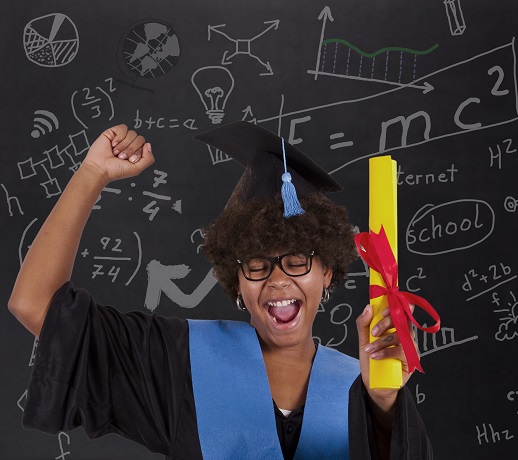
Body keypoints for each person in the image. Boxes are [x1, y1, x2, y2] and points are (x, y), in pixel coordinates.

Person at [8, 122, 432, 459]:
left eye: (299, 259)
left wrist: (382, 404)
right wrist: (92, 174)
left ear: (327, 271)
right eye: (257, 263)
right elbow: (34, 304)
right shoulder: (179, 360)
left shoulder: (369, 384)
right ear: (237, 281)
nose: (278, 279)